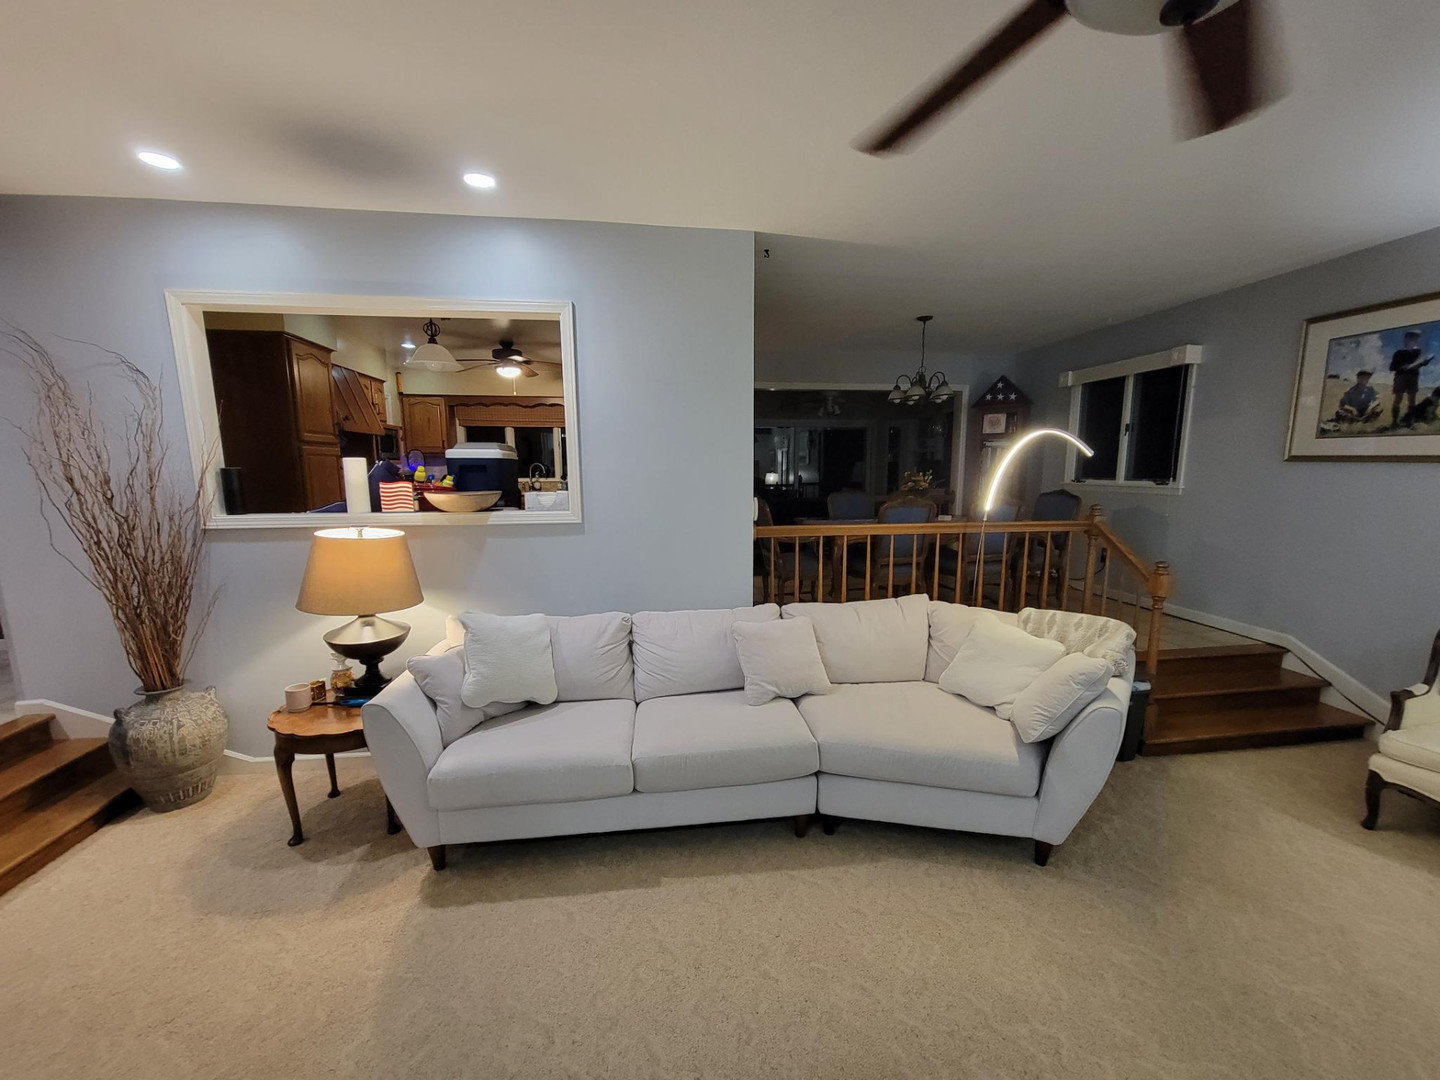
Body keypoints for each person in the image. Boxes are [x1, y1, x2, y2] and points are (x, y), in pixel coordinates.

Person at [1389, 330, 1434, 427]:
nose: (1413, 341)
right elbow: (1392, 367)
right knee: (1398, 398)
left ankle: (1410, 421)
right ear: (1406, 339)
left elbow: (1421, 363)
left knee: (1412, 399)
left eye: (1415, 339)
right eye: (1411, 338)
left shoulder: (1418, 352)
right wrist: (1402, 367)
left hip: (1413, 376)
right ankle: (1394, 421)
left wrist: (1423, 363)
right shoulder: (1399, 353)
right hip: (1400, 377)